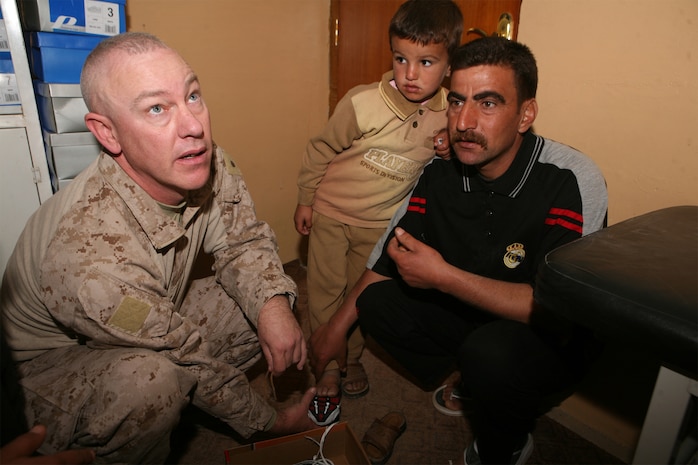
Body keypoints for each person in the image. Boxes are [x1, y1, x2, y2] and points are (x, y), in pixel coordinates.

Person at [0, 32, 316, 464]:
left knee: (259, 304)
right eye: (156, 108)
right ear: (107, 133)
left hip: (139, 314)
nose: (193, 126)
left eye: (192, 95)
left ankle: (172, 412)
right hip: (46, 371)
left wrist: (274, 308)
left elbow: (242, 240)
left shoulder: (201, 159)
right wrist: (267, 423)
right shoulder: (89, 258)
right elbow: (179, 352)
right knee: (154, 381)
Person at [309, 36, 608, 464]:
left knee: (491, 354)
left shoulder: (571, 179)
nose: (464, 121)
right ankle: (470, 376)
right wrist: (334, 328)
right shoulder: (440, 171)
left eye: (488, 104)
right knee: (375, 303)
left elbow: (563, 311)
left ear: (526, 114)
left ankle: (503, 445)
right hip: (471, 314)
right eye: (456, 102)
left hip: (548, 336)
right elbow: (389, 251)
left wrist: (443, 276)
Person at [294, 0, 462, 417]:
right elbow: (320, 150)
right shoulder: (361, 102)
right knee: (324, 293)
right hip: (331, 213)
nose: (410, 73)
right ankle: (328, 368)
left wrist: (448, 150)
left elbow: (447, 170)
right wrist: (306, 198)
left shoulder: (449, 115)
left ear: (448, 65)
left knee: (360, 298)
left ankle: (351, 358)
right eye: (401, 58)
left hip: (380, 226)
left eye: (426, 62)